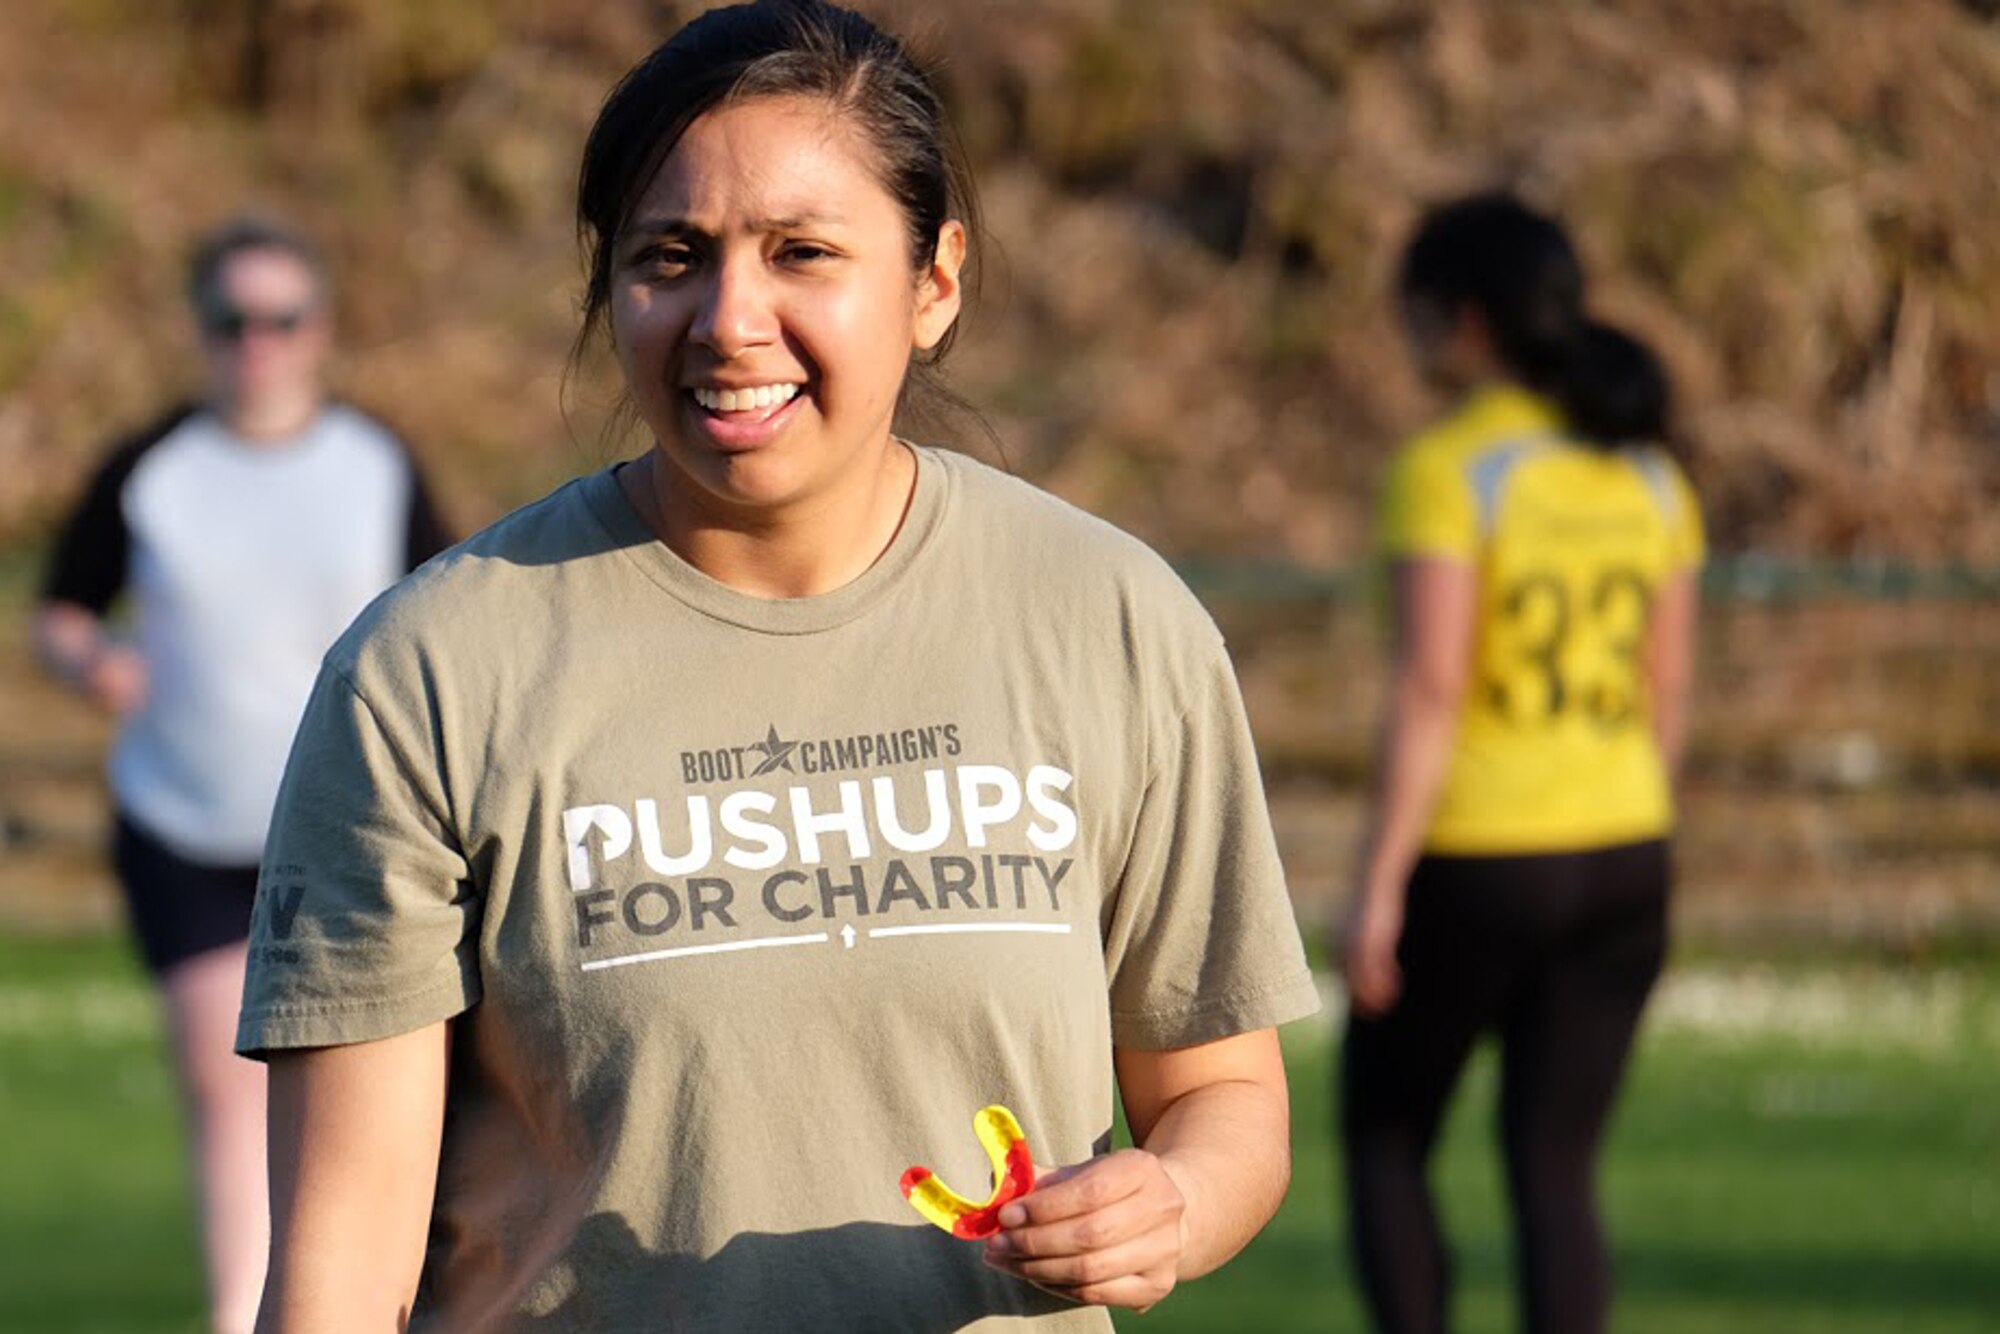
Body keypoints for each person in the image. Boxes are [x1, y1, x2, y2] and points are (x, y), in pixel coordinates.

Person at [235, 3, 1321, 1331]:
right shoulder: (431, 673)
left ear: (936, 281)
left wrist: (1175, 1204)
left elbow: (1224, 1093)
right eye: (671, 257)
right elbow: (339, 1262)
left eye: (804, 253)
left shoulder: (1112, 619)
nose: (730, 320)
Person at [34, 214, 449, 1334]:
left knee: (363, 1097)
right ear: (201, 331)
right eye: (231, 321)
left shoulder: (375, 463)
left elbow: (450, 620)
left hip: (348, 835)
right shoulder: (154, 466)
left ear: (319, 330)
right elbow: (63, 607)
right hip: (188, 828)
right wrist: (93, 658)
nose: (255, 343)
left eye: (280, 319)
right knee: (233, 1091)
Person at [1338, 192, 1702, 1334]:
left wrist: (1379, 884)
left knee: (1384, 1134)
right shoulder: (1647, 475)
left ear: (1467, 324)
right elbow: (1668, 687)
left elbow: (1431, 686)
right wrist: (1628, 818)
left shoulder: (1451, 468)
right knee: (1554, 1169)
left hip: (1484, 851)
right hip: (1625, 852)